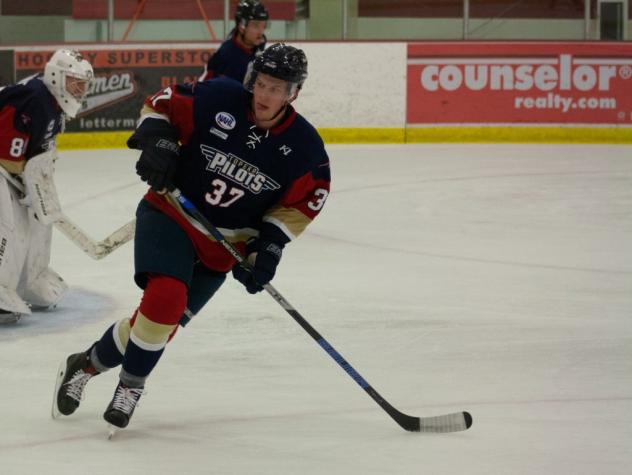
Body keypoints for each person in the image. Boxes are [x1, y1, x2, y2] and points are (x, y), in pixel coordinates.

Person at [53, 43, 331, 431]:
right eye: (262, 84)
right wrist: (160, 143)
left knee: (155, 325)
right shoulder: (218, 97)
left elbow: (300, 205)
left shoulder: (305, 149)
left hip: (223, 249)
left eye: (277, 89)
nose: (266, 95)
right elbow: (160, 104)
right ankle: (130, 387)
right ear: (252, 80)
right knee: (165, 298)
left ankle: (83, 365)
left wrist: (266, 249)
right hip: (171, 213)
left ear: (293, 93)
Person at [0, 49, 93, 324]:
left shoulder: (52, 102)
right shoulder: (33, 100)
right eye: (75, 82)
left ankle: (32, 279)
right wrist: (31, 186)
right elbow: (6, 156)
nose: (79, 90)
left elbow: (35, 151)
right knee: (10, 222)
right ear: (56, 76)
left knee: (41, 220)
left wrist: (38, 187)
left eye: (83, 85)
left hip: (12, 167)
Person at [199, 0, 268, 82]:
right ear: (241, 26)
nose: (261, 32)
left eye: (264, 26)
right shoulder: (224, 56)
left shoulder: (260, 46)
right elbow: (203, 87)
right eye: (255, 25)